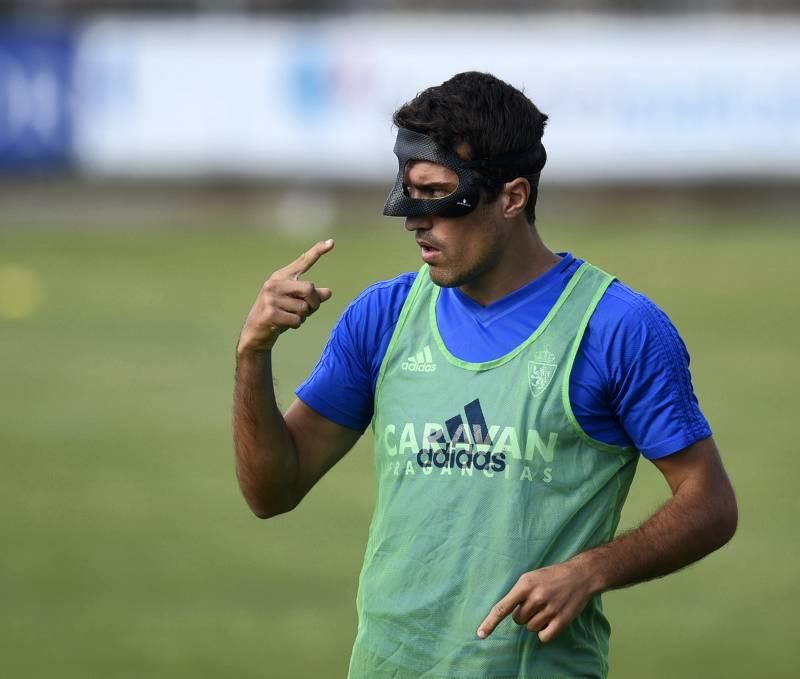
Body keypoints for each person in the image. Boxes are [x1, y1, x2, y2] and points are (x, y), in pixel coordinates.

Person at [232, 71, 738, 679]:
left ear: (513, 197)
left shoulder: (616, 328)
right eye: (407, 190)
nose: (413, 219)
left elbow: (709, 503)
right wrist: (252, 355)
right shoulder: (384, 317)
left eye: (437, 193)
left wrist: (590, 570)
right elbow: (271, 491)